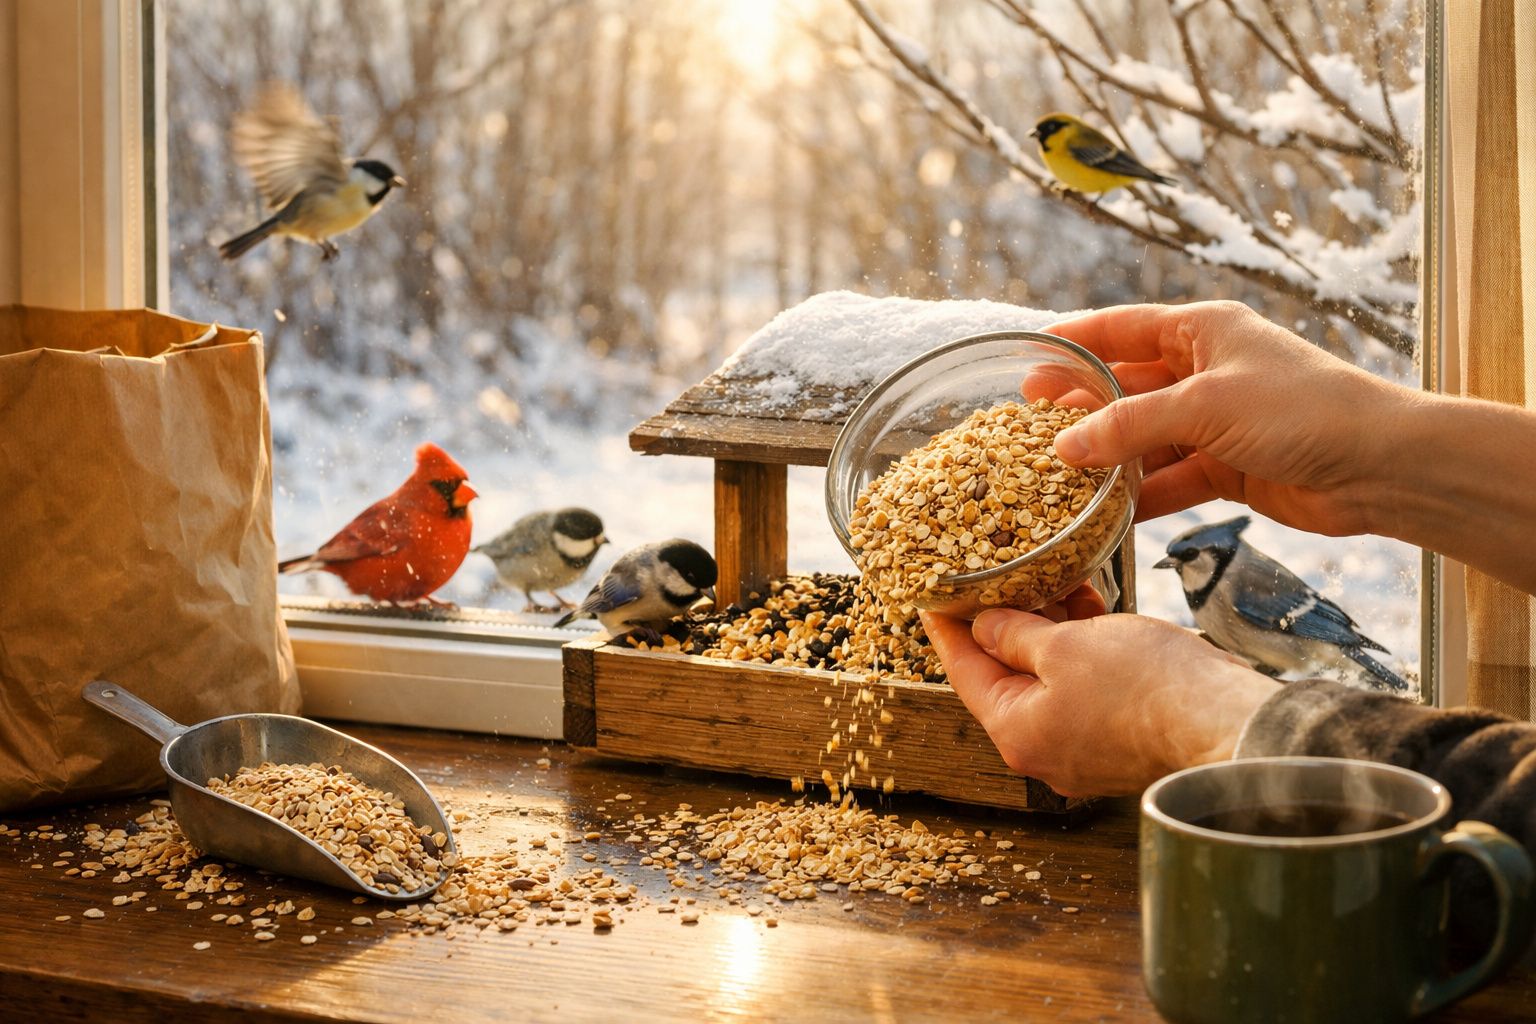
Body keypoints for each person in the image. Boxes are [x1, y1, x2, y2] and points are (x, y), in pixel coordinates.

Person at [921, 301, 1536, 862]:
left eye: (1190, 558)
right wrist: (1373, 443)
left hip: (1313, 646)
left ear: (1216, 559)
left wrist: (1186, 712)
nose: (1179, 565)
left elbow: (1486, 843)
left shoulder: (1244, 588)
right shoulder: (1226, 567)